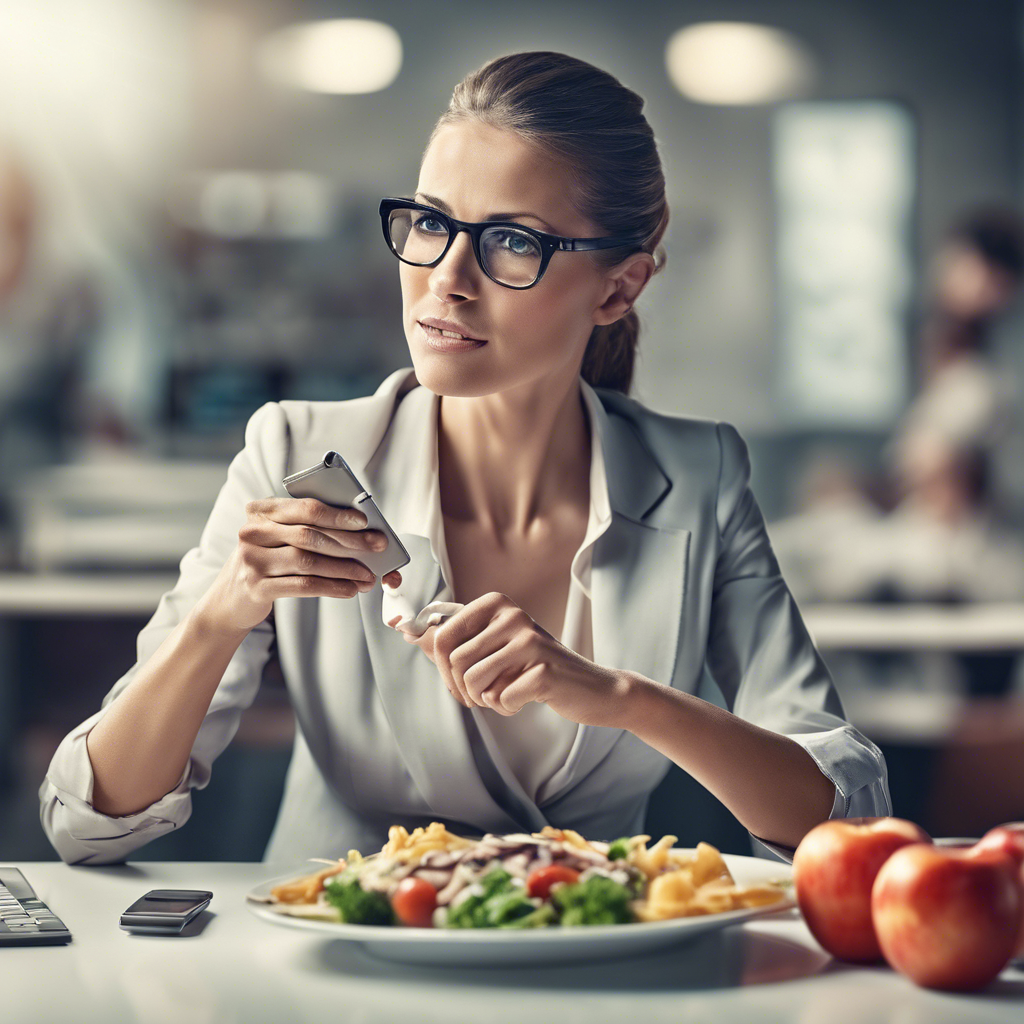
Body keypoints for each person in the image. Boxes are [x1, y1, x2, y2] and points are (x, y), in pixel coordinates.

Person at [40, 52, 889, 867]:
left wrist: (618, 697)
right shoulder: (295, 451)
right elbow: (85, 822)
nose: (446, 278)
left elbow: (845, 816)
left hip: (595, 956)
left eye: (512, 241)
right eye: (431, 223)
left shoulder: (698, 477)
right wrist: (223, 613)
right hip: (331, 955)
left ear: (619, 287)